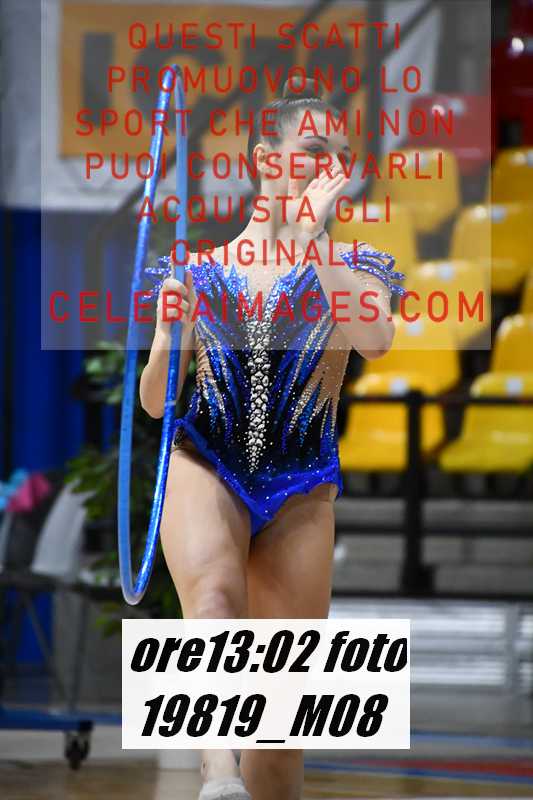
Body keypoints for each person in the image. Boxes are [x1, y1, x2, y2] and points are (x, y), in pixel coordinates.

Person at [139, 77, 406, 800]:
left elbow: (375, 339)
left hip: (301, 481)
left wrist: (315, 243)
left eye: (339, 155)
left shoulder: (359, 269)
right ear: (264, 158)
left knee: (281, 730)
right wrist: (166, 334)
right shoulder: (198, 270)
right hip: (207, 461)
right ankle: (217, 774)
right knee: (214, 603)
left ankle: (245, 774)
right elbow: (157, 403)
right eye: (312, 149)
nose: (328, 167)